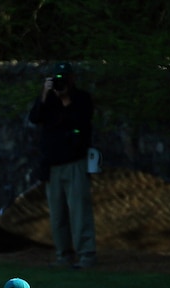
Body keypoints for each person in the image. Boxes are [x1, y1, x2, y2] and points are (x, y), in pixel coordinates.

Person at [29, 61, 97, 269]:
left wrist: (66, 99)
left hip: (75, 162)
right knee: (57, 214)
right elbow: (34, 118)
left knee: (79, 211)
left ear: (72, 78)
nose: (61, 83)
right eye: (57, 79)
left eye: (64, 78)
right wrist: (44, 94)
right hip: (52, 165)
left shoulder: (81, 99)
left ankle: (86, 255)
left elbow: (81, 122)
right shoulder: (48, 100)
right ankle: (63, 255)